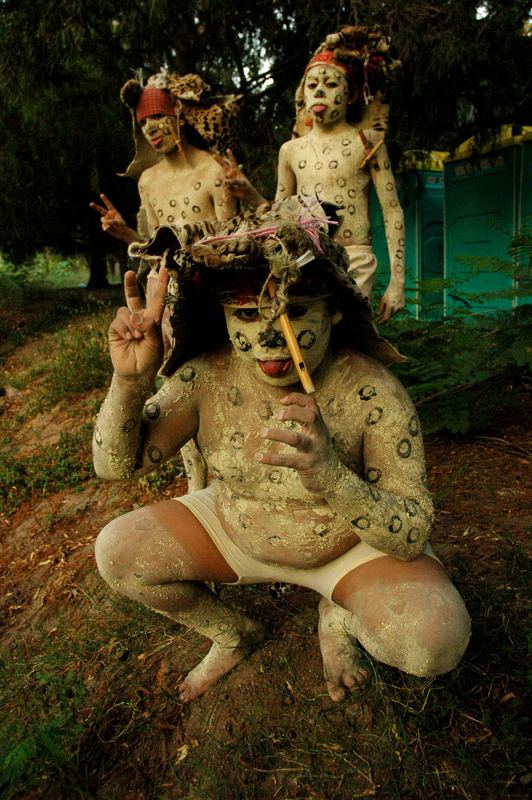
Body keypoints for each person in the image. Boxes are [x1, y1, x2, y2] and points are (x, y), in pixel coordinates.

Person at [93, 198, 470, 703]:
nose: (271, 334)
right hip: (235, 527)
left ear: (333, 311)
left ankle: (338, 614)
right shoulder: (204, 377)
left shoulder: (372, 390)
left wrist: (331, 475)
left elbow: (412, 529)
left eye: (293, 311)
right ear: (224, 317)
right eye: (246, 314)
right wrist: (129, 382)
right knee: (117, 551)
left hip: (351, 548)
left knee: (433, 645)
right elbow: (115, 466)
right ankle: (233, 634)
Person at [91, 71, 241, 490]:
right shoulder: (148, 181)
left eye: (156, 117)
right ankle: (195, 485)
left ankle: (232, 478)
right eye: (142, 123)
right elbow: (156, 245)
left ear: (179, 113)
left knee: (223, 380)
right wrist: (128, 236)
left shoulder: (213, 169)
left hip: (215, 295)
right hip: (167, 299)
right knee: (175, 385)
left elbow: (234, 241)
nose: (150, 129)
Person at [219, 26, 406, 322]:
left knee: (347, 341)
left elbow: (392, 211)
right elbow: (279, 216)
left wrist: (397, 283)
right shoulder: (290, 150)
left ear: (351, 94)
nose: (319, 90)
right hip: (304, 259)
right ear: (303, 94)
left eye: (331, 84)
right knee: (311, 347)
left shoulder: (368, 142)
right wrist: (249, 192)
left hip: (355, 257)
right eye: (312, 84)